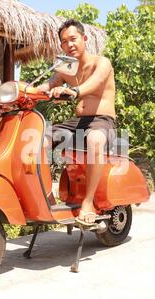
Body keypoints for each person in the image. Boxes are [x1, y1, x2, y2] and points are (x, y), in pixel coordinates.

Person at [37, 19, 117, 226]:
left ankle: (88, 202)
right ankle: (48, 196)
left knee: (95, 140)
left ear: (84, 38)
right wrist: (21, 91)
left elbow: (96, 82)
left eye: (73, 39)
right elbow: (51, 83)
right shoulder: (67, 66)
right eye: (64, 42)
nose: (69, 44)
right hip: (78, 122)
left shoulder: (102, 62)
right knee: (39, 138)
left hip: (102, 121)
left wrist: (74, 91)